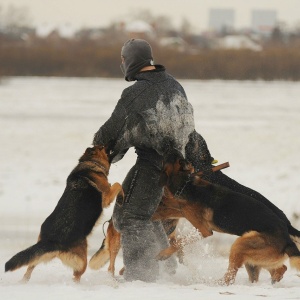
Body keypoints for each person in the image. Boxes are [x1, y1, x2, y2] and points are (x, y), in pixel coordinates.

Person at [93, 38, 290, 282]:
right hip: (179, 166)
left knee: (132, 217)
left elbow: (111, 132)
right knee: (148, 213)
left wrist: (99, 150)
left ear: (131, 61)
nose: (122, 64)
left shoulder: (135, 94)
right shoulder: (174, 84)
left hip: (154, 165)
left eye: (123, 60)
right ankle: (167, 269)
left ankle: (141, 277)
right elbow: (187, 129)